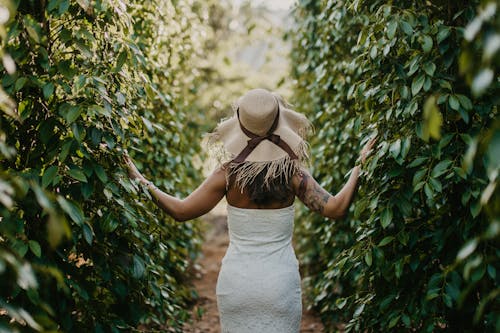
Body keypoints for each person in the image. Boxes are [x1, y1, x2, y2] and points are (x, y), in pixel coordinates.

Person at [124, 88, 376, 333]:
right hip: (280, 285)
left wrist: (139, 179)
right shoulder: (293, 174)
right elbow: (336, 208)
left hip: (237, 284)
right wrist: (359, 166)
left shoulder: (227, 174)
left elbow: (180, 211)